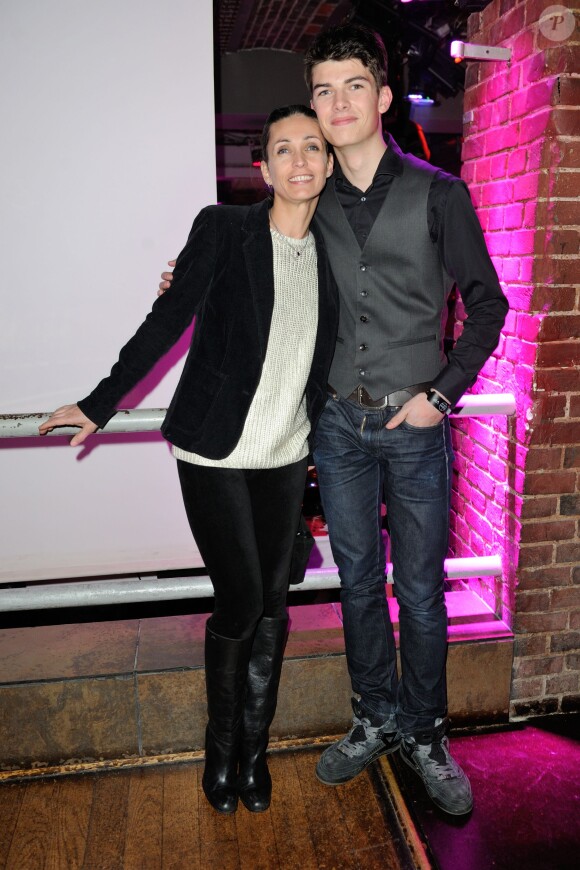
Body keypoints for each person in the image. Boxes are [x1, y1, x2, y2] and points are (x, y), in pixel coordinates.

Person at [160, 25, 508, 817]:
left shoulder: (438, 193)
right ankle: (373, 716)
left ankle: (423, 732)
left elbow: (488, 306)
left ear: (384, 97)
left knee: (418, 592)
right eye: (325, 90)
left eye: (354, 86)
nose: (338, 102)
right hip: (336, 431)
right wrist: (191, 274)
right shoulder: (306, 200)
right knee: (357, 585)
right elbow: (253, 256)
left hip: (415, 425)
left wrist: (445, 392)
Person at [39, 105, 338, 816]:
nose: (299, 160)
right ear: (262, 168)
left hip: (287, 453)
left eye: (313, 148)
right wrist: (100, 403)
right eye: (283, 149)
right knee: (239, 601)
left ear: (329, 164)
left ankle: (253, 756)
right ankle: (219, 750)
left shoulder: (340, 251)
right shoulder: (225, 230)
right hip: (215, 450)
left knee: (272, 605)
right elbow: (165, 323)